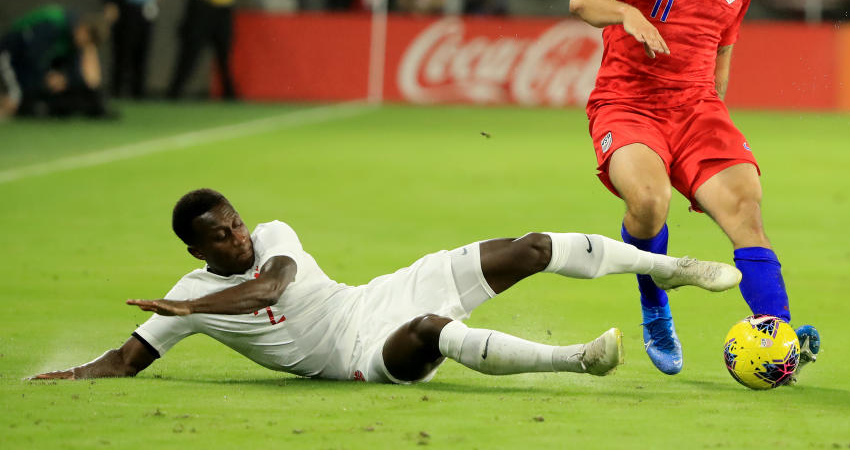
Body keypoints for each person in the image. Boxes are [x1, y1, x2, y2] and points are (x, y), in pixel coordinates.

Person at [29, 188, 742, 383]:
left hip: (374, 295)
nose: (238, 236)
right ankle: (576, 360)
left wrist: (189, 305)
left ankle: (674, 269)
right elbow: (124, 361)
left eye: (236, 223)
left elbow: (271, 288)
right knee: (433, 336)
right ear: (195, 248)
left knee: (527, 247)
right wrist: (59, 374)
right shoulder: (187, 299)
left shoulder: (272, 239)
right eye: (220, 235)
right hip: (355, 355)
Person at [568, 0, 820, 379]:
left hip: (697, 111)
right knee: (649, 201)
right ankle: (655, 306)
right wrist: (626, 11)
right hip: (628, 103)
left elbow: (721, 54)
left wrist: (710, 142)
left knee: (746, 211)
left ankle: (781, 337)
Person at [0, 4, 114, 118]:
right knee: (15, 101)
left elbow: (78, 73)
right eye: (86, 42)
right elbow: (30, 57)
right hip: (9, 56)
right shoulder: (52, 25)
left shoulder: (73, 38)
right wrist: (46, 77)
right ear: (83, 29)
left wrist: (63, 78)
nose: (83, 47)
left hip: (30, 67)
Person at [166, 0, 237, 100]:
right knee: (190, 54)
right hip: (202, 10)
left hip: (222, 12)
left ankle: (229, 92)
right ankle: (174, 91)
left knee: (224, 56)